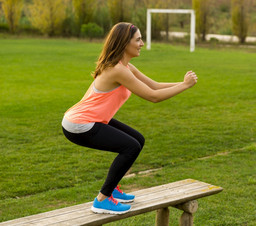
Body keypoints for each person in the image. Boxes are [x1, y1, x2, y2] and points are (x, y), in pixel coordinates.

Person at [61, 22, 198, 215]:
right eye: (138, 39)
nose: (142, 43)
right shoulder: (118, 70)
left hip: (92, 119)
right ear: (125, 43)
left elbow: (155, 86)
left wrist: (184, 83)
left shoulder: (125, 67)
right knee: (130, 146)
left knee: (138, 140)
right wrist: (184, 86)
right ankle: (102, 199)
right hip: (80, 124)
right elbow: (154, 97)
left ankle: (113, 187)